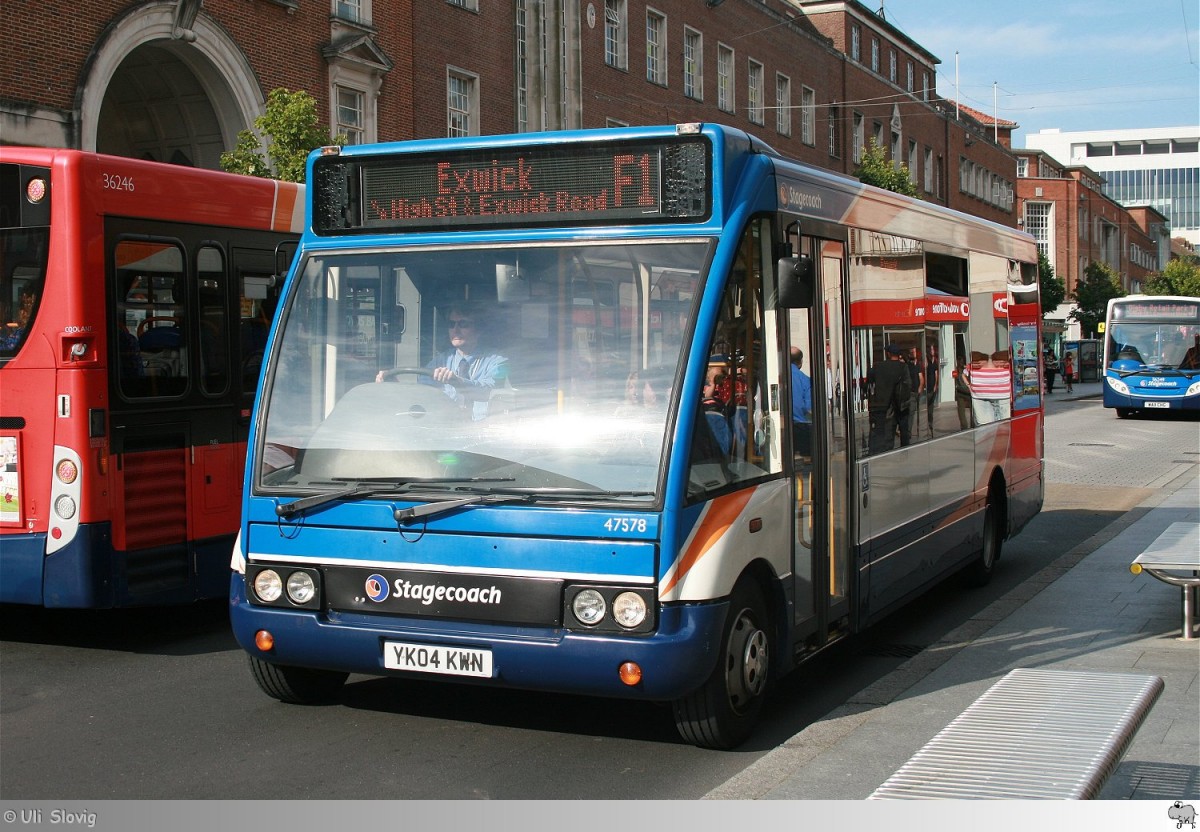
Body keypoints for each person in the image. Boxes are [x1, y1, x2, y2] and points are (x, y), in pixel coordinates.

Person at [376, 302, 509, 421]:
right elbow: (421, 392)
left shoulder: (498, 360)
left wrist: (458, 382)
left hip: (482, 431)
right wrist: (394, 385)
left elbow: (491, 392)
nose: (455, 330)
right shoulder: (441, 360)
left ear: (479, 330)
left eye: (463, 324)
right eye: (451, 324)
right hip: (445, 429)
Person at [867, 343, 910, 454]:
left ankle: (885, 452)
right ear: (898, 355)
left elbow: (869, 381)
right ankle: (905, 451)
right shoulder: (903, 367)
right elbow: (908, 385)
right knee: (904, 430)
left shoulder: (879, 367)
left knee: (885, 432)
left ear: (888, 354)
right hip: (900, 405)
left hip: (882, 405)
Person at [790, 346, 813, 457]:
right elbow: (809, 409)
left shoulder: (775, 376)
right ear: (800, 362)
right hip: (800, 428)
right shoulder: (805, 380)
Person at [953, 356, 973, 430]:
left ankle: (964, 426)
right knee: (972, 409)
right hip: (968, 391)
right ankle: (972, 424)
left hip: (960, 391)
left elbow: (955, 380)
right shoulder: (968, 368)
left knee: (961, 410)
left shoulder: (956, 369)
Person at [925, 343, 939, 437]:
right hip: (927, 387)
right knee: (926, 408)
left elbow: (936, 374)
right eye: (931, 350)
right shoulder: (927, 361)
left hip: (932, 387)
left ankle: (930, 426)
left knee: (930, 409)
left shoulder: (935, 361)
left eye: (933, 349)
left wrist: (935, 386)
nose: (932, 351)